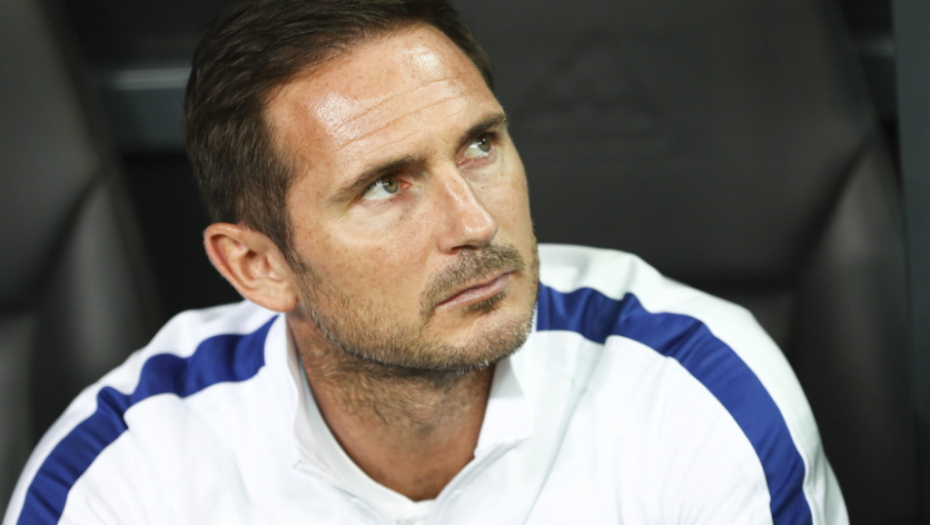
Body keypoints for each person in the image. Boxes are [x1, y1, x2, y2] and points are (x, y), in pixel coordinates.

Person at [4, 0, 847, 523]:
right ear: (258, 265)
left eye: (480, 145)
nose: (474, 221)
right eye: (385, 185)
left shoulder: (695, 392)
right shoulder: (122, 475)